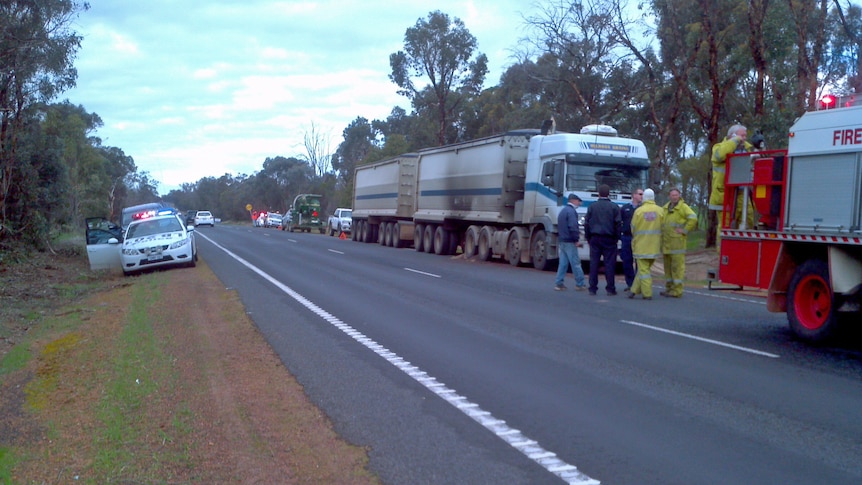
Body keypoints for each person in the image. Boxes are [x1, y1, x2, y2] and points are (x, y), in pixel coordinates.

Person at [709, 124, 755, 248]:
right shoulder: (718, 148)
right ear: (732, 136)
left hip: (744, 193)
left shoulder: (748, 149)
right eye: (742, 135)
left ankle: (743, 252)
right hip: (726, 194)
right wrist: (735, 141)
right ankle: (723, 257)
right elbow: (720, 155)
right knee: (725, 226)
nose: (744, 138)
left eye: (745, 136)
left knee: (748, 221)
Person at [584, 184, 622, 295]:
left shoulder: (592, 206)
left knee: (594, 263)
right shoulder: (614, 207)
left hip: (595, 238)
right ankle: (610, 288)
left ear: (599, 193)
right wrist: (617, 237)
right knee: (609, 264)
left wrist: (588, 237)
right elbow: (618, 224)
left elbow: (587, 223)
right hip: (609, 239)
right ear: (609, 194)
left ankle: (592, 288)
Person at [661, 188, 698, 298]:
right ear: (669, 196)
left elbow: (693, 218)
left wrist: (685, 230)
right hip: (666, 243)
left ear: (679, 196)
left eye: (676, 195)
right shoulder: (665, 208)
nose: (674, 197)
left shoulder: (683, 207)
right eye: (672, 195)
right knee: (667, 268)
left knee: (677, 268)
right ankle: (669, 288)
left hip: (677, 243)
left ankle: (677, 291)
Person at [628, 188, 663, 300]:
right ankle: (633, 290)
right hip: (654, 246)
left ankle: (647, 293)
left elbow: (632, 228)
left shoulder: (638, 211)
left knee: (644, 271)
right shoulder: (660, 211)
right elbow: (664, 227)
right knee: (644, 270)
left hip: (641, 246)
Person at [554, 193, 587, 291]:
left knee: (563, 263)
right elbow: (573, 227)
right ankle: (580, 284)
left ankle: (559, 283)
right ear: (573, 200)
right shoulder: (572, 212)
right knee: (575, 263)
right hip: (570, 241)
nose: (579, 203)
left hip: (562, 240)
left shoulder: (563, 211)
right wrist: (576, 240)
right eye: (578, 201)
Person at [619, 187, 643, 292]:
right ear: (634, 195)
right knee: (627, 261)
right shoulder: (625, 208)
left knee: (640, 262)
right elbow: (619, 222)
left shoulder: (643, 209)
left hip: (640, 238)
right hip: (627, 237)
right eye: (640, 194)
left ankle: (639, 284)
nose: (642, 196)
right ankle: (630, 283)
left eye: (643, 194)